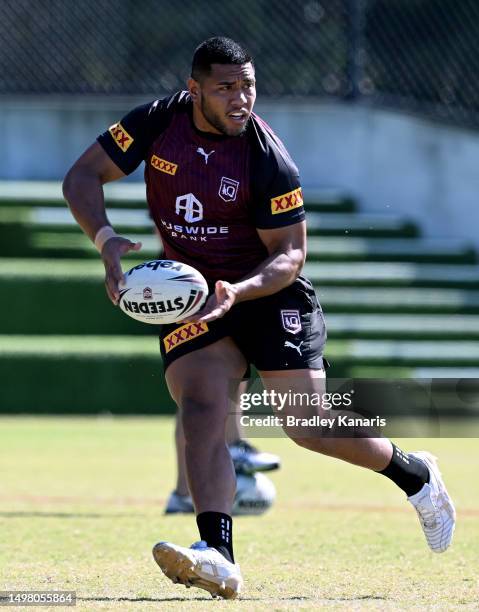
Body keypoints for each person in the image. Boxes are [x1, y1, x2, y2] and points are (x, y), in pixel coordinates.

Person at [63, 37, 456, 600]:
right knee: (200, 406)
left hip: (269, 293)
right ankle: (218, 555)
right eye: (226, 87)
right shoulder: (156, 122)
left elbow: (291, 255)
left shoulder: (267, 156)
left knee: (308, 425)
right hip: (194, 295)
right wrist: (103, 240)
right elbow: (81, 176)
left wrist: (239, 290)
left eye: (248, 85)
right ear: (194, 89)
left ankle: (415, 475)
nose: (241, 98)